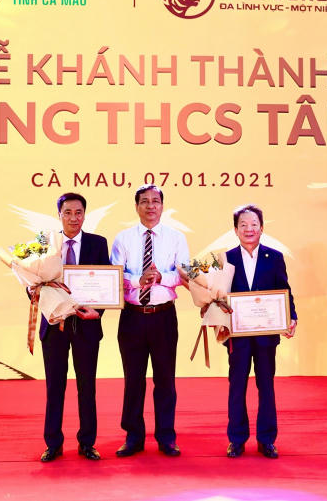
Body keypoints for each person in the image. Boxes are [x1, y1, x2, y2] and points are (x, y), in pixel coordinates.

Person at [110, 184, 189, 457]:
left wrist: (161, 277)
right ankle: (133, 436)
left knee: (165, 380)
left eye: (156, 201)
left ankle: (166, 436)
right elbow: (115, 276)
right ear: (136, 207)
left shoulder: (176, 238)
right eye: (144, 201)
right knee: (133, 380)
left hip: (163, 316)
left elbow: (185, 275)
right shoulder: (123, 239)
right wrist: (137, 280)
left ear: (162, 206)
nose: (150, 206)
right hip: (132, 317)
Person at [39, 193, 110, 462]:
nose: (73, 218)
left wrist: (98, 312)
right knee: (54, 388)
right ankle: (53, 443)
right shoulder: (45, 244)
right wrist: (39, 298)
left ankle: (87, 443)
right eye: (67, 213)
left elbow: (106, 284)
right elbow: (33, 283)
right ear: (59, 215)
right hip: (54, 326)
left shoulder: (97, 243)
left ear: (84, 214)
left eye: (78, 212)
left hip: (86, 326)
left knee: (87, 387)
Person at [224, 204, 297, 459]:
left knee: (266, 386)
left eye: (254, 224)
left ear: (262, 228)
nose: (249, 229)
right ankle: (236, 440)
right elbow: (219, 294)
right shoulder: (226, 259)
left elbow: (284, 291)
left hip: (266, 335)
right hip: (238, 336)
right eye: (243, 225)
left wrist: (291, 317)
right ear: (235, 230)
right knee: (237, 387)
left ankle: (267, 440)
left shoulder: (274, 257)